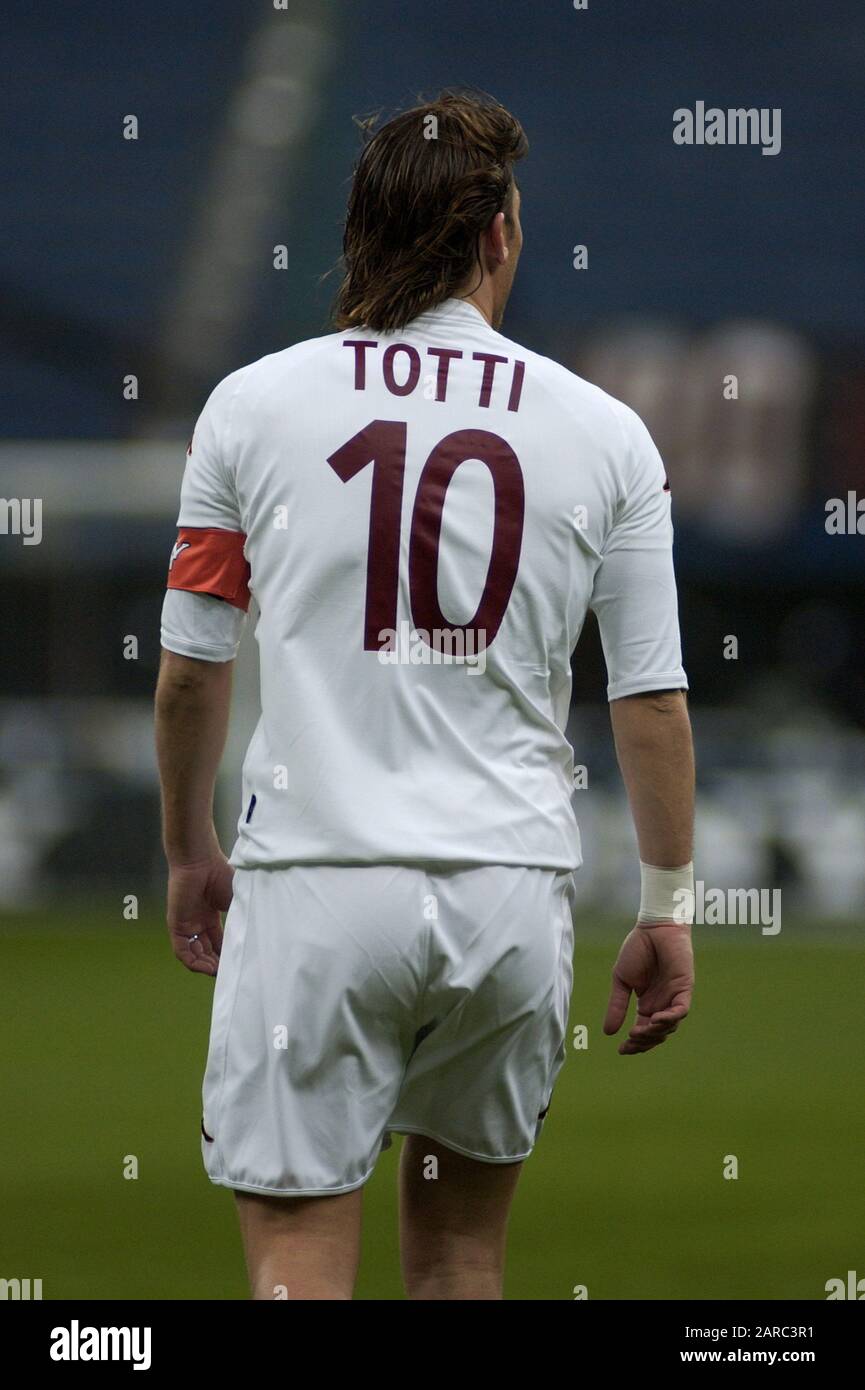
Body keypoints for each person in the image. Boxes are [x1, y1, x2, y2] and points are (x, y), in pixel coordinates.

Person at [155, 89, 695, 1301]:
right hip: (507, 895)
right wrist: (668, 902)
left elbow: (194, 665)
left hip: (317, 885)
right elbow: (650, 694)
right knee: (459, 1260)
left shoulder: (252, 405)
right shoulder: (606, 433)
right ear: (499, 234)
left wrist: (188, 849)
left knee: (298, 1264)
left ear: (361, 232)